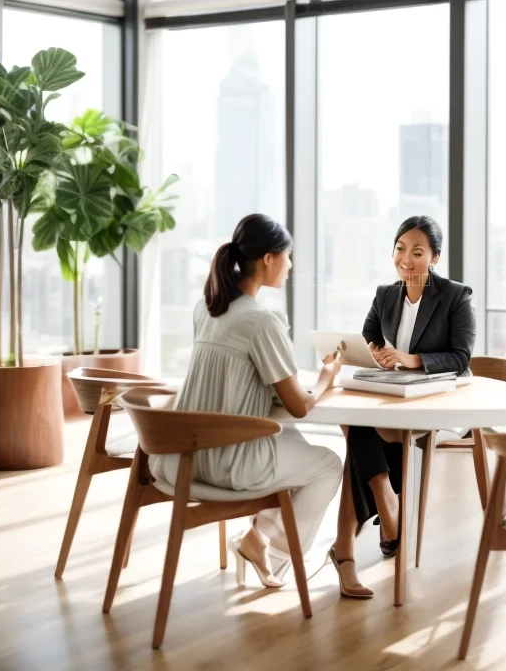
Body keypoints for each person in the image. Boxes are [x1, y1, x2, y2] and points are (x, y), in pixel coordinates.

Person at [149, 213, 343, 589]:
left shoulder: (205, 308)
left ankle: (258, 536)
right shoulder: (262, 322)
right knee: (329, 464)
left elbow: (234, 374)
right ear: (269, 259)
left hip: (181, 457)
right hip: (228, 464)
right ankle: (273, 551)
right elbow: (299, 406)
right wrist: (325, 378)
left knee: (293, 443)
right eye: (287, 257)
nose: (290, 266)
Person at [328, 215, 476, 598]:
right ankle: (383, 501)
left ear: (435, 257)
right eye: (399, 248)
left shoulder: (456, 296)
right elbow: (368, 339)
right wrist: (375, 354)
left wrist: (411, 360)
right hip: (397, 398)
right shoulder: (385, 295)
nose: (405, 258)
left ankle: (354, 538)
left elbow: (461, 357)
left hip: (440, 403)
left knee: (356, 430)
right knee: (358, 420)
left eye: (417, 251)